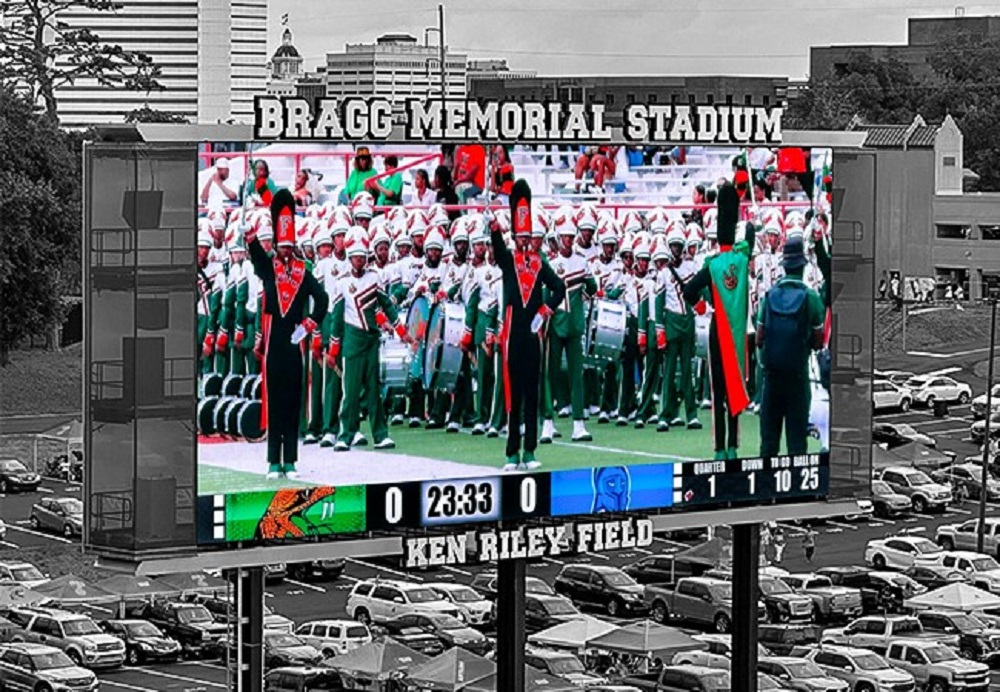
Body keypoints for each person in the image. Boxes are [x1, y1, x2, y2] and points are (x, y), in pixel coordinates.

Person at [244, 189, 329, 480]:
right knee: (274, 401)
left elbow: (323, 300)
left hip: (294, 342)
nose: (285, 251)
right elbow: (256, 256)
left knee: (292, 403)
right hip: (273, 343)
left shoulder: (304, 272)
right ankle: (272, 462)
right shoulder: (268, 267)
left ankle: (290, 461)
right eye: (281, 247)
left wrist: (308, 325)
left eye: (289, 247)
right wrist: (250, 235)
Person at [488, 179, 565, 471]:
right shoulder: (508, 260)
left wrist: (545, 311)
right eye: (519, 237)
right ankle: (511, 454)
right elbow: (497, 251)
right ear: (514, 237)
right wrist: (493, 228)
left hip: (533, 334)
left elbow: (559, 288)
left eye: (527, 237)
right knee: (513, 394)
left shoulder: (540, 263)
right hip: (511, 335)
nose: (524, 241)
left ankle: (529, 451)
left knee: (532, 393)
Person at [683, 182, 756, 460]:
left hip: (718, 330)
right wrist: (745, 217)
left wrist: (702, 307)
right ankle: (734, 448)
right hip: (737, 332)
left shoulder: (712, 266)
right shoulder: (741, 257)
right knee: (735, 390)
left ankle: (720, 449)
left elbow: (688, 291)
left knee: (719, 394)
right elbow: (749, 232)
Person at [329, 227, 412, 452]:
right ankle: (345, 435)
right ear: (349, 257)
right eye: (355, 257)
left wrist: (401, 329)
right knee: (350, 391)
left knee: (374, 390)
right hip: (352, 341)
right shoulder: (342, 282)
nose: (358, 261)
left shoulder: (375, 277)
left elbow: (386, 305)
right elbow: (336, 318)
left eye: (362, 257)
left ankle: (380, 435)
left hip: (371, 340)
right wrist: (334, 348)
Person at [756, 236, 825, 457]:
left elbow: (759, 338)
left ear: (784, 267)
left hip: (771, 378)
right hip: (798, 377)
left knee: (768, 443)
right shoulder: (811, 298)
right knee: (797, 444)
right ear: (803, 267)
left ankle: (765, 488)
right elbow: (818, 341)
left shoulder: (769, 296)